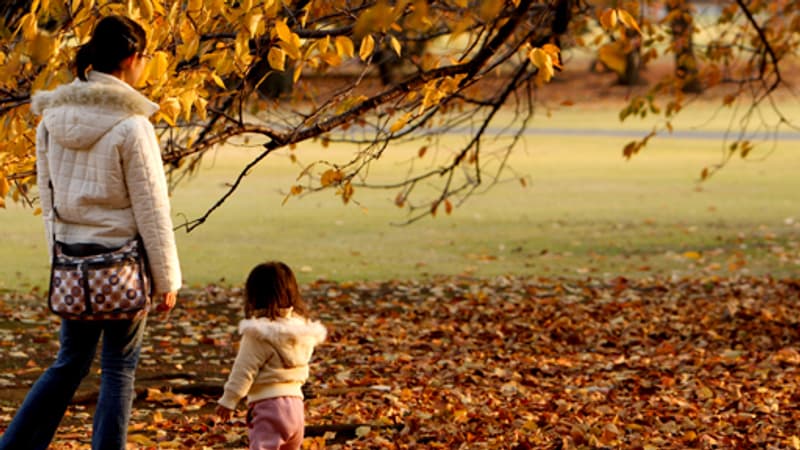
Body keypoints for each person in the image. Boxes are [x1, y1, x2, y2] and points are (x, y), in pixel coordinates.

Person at [0, 15, 182, 450]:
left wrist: (58, 257)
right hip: (121, 265)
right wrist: (167, 278)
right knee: (119, 367)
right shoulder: (133, 125)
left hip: (73, 257)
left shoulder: (51, 119)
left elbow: (49, 200)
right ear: (133, 59)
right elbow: (152, 207)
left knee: (69, 363)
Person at [216, 262, 327, 450]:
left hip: (268, 407)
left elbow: (244, 370)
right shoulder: (301, 331)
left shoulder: (258, 333)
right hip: (296, 407)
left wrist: (229, 400)